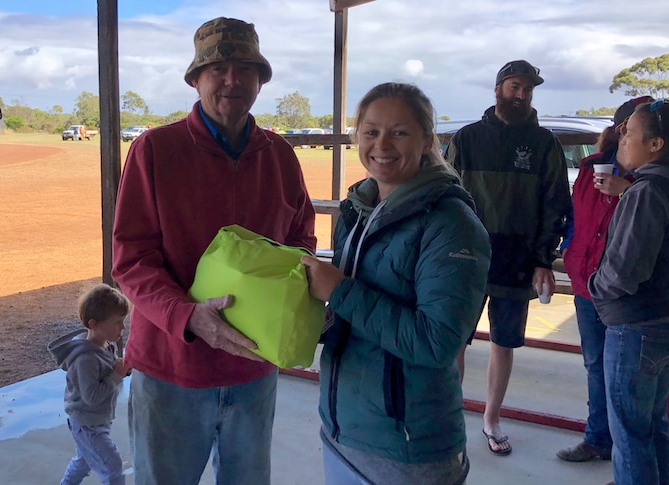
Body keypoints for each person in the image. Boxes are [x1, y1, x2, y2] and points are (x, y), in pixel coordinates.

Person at [111, 17, 316, 484]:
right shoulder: (154, 151)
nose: (232, 79)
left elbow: (302, 238)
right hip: (171, 369)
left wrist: (294, 291)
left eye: (245, 68)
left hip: (254, 369)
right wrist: (188, 317)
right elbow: (131, 258)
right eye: (218, 68)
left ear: (260, 81)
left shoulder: (280, 155)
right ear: (196, 78)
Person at [300, 82, 491, 485]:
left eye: (399, 132)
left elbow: (437, 342)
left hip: (408, 447)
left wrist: (338, 291)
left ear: (427, 140)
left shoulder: (451, 223)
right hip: (344, 428)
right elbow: (352, 316)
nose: (382, 144)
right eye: (370, 131)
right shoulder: (359, 208)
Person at [446, 59, 572, 455]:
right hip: (465, 258)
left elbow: (556, 204)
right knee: (455, 343)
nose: (522, 94)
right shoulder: (466, 138)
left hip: (518, 262)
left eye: (528, 89)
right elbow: (446, 198)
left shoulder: (544, 143)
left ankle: (491, 418)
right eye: (515, 86)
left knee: (504, 342)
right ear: (498, 88)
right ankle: (449, 416)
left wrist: (542, 259)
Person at [590, 99, 669, 485]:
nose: (621, 138)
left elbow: (625, 271)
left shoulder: (647, 190)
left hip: (637, 327)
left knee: (630, 437)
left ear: (655, 144)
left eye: (628, 132)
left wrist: (596, 287)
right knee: (652, 426)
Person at [555, 96, 652, 463]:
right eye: (626, 127)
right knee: (595, 364)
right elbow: (575, 218)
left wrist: (625, 190)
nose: (629, 134)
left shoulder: (649, 179)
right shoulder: (591, 165)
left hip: (624, 290)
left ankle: (630, 456)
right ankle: (598, 439)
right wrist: (568, 249)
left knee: (627, 375)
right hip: (586, 282)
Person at [48, 284, 132, 485]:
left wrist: (123, 369)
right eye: (117, 322)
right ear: (94, 324)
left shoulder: (104, 345)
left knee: (83, 462)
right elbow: (92, 396)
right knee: (113, 469)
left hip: (94, 420)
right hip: (88, 424)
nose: (123, 327)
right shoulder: (85, 359)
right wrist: (116, 375)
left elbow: (109, 370)